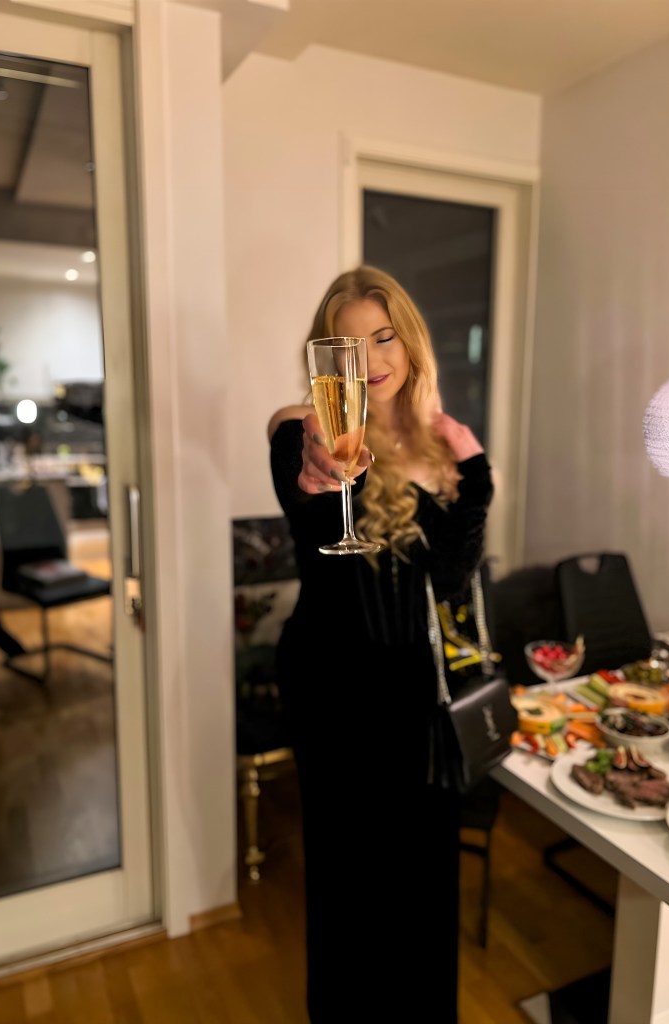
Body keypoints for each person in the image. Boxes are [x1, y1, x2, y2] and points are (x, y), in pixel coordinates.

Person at [267, 265, 494, 1023]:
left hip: (412, 694)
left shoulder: (437, 447)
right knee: (347, 885)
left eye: (383, 336)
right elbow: (309, 526)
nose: (370, 359)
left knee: (424, 882)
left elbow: (455, 580)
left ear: (409, 337)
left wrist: (476, 476)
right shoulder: (304, 427)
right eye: (349, 345)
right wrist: (313, 473)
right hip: (331, 688)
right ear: (328, 358)